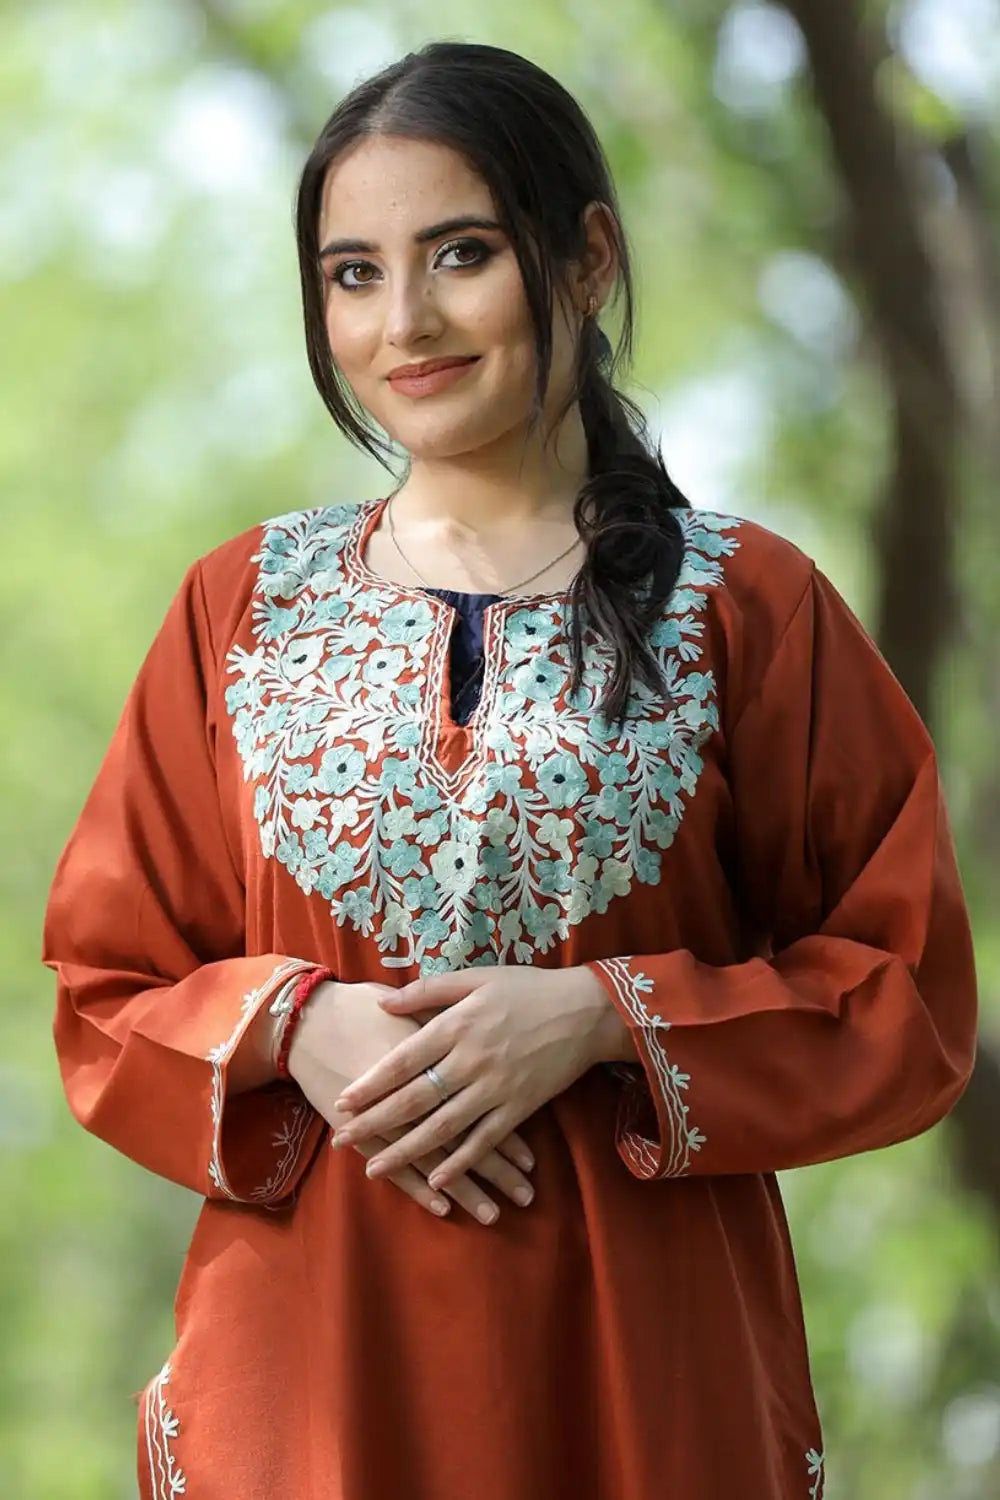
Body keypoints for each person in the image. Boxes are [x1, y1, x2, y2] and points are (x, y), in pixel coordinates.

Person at [42, 39, 977, 1500]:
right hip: (309, 1384)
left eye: (458, 254)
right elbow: (106, 993)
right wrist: (298, 1025)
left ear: (587, 257)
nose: (402, 319)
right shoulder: (236, 610)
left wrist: (605, 1017)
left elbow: (904, 991)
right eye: (352, 272)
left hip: (644, 1385)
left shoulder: (750, 607)